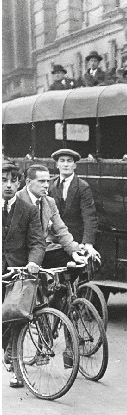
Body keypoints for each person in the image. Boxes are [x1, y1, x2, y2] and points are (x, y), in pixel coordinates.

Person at [2, 162, 45, 389]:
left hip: (18, 273)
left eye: (13, 180)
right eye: (3, 180)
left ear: (19, 183)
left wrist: (32, 262)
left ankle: (17, 371)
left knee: (18, 319)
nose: (8, 185)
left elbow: (37, 242)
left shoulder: (28, 210)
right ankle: (7, 349)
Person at [18, 165, 90, 270]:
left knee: (74, 260)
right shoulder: (17, 200)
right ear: (28, 182)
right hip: (21, 253)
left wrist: (74, 251)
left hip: (41, 250)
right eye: (41, 181)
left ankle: (60, 286)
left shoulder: (49, 202)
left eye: (48, 181)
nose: (46, 185)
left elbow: (61, 229)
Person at [50, 149, 98, 250]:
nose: (65, 164)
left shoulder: (82, 187)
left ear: (75, 165)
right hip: (53, 239)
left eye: (69, 161)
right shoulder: (50, 185)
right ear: (57, 165)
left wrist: (88, 243)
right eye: (62, 161)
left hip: (76, 240)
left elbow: (89, 216)